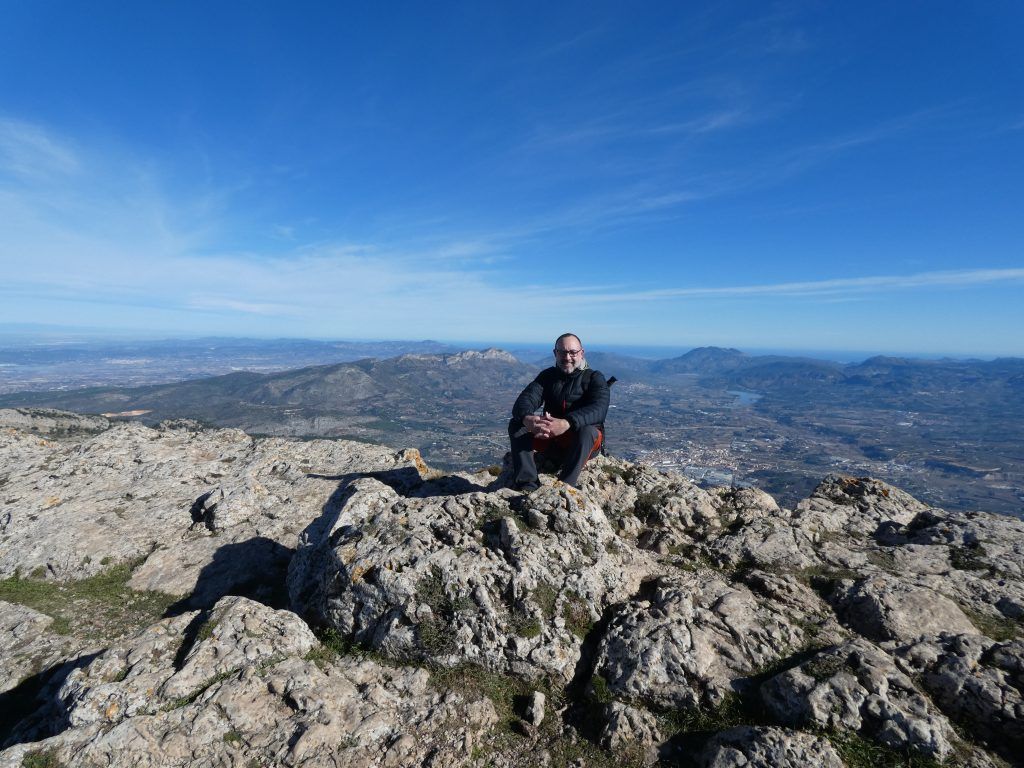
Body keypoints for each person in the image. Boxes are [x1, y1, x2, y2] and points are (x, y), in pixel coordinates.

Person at [508, 332, 609, 491]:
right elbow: (525, 400)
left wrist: (566, 422)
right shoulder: (547, 376)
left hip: (583, 443)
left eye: (572, 352)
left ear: (581, 353)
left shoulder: (594, 378)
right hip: (551, 439)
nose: (567, 357)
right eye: (562, 352)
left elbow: (599, 409)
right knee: (517, 424)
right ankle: (527, 484)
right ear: (555, 353)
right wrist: (528, 418)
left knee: (588, 430)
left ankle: (563, 487)